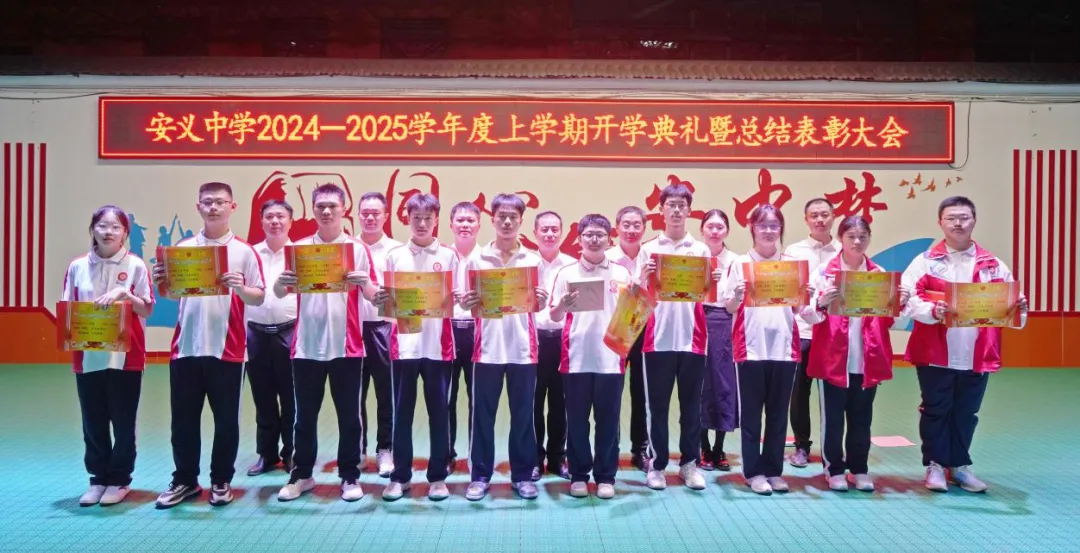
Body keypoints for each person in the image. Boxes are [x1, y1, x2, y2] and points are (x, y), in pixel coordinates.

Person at [902, 196, 1027, 493]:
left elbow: (1009, 307)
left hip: (977, 352)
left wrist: (1017, 306)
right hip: (935, 351)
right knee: (935, 408)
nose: (957, 223)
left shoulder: (993, 265)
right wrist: (932, 311)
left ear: (974, 221)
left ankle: (959, 466)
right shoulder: (925, 262)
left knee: (966, 412)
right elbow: (907, 298)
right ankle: (934, 465)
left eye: (964, 217)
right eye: (951, 218)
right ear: (940, 222)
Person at [152, 182, 266, 509]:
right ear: (198, 207)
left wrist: (240, 288)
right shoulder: (184, 248)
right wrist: (162, 281)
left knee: (226, 421)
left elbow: (258, 296)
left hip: (227, 351)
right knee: (183, 421)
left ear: (233, 207)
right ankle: (185, 480)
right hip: (185, 349)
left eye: (220, 202)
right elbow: (170, 294)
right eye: (207, 202)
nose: (213, 207)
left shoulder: (244, 251)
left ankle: (221, 480)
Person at [274, 184, 379, 503]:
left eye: (333, 205)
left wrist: (365, 282)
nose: (327, 211)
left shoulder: (357, 249)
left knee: (350, 416)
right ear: (313, 209)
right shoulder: (299, 249)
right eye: (320, 206)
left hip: (347, 346)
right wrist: (280, 282)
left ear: (344, 209)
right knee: (304, 416)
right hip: (306, 346)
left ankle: (349, 475)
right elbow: (279, 293)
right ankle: (302, 474)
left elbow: (374, 296)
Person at [804, 215, 911, 492]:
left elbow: (892, 321)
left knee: (862, 417)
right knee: (833, 419)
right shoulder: (824, 273)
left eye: (863, 237)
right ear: (841, 238)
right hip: (833, 358)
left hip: (867, 358)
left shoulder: (879, 274)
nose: (857, 242)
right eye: (851, 236)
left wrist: (900, 303)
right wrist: (820, 302)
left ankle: (859, 468)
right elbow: (808, 314)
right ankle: (834, 469)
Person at [459, 194, 548, 501]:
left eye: (513, 217)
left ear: (521, 220)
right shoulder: (477, 260)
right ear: (493, 219)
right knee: (482, 416)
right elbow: (468, 305)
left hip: (523, 349)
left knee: (523, 416)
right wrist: (466, 302)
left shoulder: (533, 261)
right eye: (502, 216)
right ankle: (480, 476)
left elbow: (539, 306)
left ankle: (522, 475)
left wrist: (542, 300)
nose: (507, 222)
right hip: (487, 349)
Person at [64, 205, 154, 507]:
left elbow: (147, 309)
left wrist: (126, 295)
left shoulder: (136, 265)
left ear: (125, 232)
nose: (108, 232)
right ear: (93, 229)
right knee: (93, 420)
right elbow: (68, 310)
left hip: (125, 358)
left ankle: (119, 479)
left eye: (116, 227)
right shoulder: (77, 266)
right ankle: (98, 479)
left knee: (123, 420)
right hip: (88, 357)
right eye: (102, 226)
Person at [723, 203, 810, 495]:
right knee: (751, 415)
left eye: (774, 225)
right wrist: (737, 295)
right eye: (763, 225)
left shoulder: (792, 264)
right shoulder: (740, 263)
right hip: (750, 347)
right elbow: (729, 307)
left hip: (784, 348)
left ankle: (773, 470)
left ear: (781, 229)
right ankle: (753, 472)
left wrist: (805, 296)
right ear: (753, 229)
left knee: (777, 414)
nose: (769, 231)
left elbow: (797, 308)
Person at [377, 193, 459, 501]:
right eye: (416, 218)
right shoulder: (395, 255)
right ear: (407, 219)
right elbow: (387, 305)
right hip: (404, 347)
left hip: (438, 347)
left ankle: (437, 477)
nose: (422, 224)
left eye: (427, 218)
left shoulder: (449, 256)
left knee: (439, 413)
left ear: (436, 220)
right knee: (402, 414)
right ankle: (400, 477)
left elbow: (457, 301)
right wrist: (386, 302)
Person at [548, 214, 632, 500]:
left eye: (600, 235)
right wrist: (562, 304)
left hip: (611, 359)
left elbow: (631, 316)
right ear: (579, 239)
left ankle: (606, 476)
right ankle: (579, 475)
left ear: (609, 239)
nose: (594, 239)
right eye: (588, 234)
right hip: (576, 358)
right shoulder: (566, 272)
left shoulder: (621, 273)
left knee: (608, 421)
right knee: (577, 421)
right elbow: (554, 316)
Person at [637, 183, 710, 491]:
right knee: (657, 407)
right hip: (658, 339)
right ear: (662, 210)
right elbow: (639, 296)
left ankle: (689, 465)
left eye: (682, 205)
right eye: (671, 205)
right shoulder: (648, 249)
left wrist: (712, 281)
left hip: (693, 338)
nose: (677, 210)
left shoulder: (700, 249)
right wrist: (642, 278)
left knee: (691, 407)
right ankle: (657, 465)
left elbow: (707, 294)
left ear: (689, 210)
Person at [782, 198, 840, 468]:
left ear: (833, 217)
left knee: (835, 395)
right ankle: (801, 447)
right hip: (803, 332)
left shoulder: (844, 250)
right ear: (806, 219)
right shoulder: (793, 252)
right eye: (814, 215)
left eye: (824, 214)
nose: (820, 220)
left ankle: (834, 450)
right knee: (798, 394)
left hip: (835, 335)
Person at [244, 200, 297, 477]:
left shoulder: (299, 254)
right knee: (262, 397)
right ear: (261, 221)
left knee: (291, 397)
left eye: (280, 216)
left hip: (290, 331)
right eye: (269, 217)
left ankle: (291, 453)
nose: (275, 221)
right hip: (255, 333)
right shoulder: (250, 253)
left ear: (291, 221)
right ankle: (266, 454)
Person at [356, 192, 401, 477]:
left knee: (387, 393)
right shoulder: (347, 248)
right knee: (353, 394)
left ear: (386, 216)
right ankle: (357, 449)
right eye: (365, 213)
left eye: (376, 213)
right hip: (352, 328)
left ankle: (386, 449)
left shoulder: (397, 250)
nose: (370, 217)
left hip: (385, 327)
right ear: (358, 215)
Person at [605, 205, 650, 471]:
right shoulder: (606, 258)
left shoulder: (653, 257)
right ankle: (610, 447)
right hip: (616, 329)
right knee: (612, 391)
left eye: (637, 225)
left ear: (644, 228)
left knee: (641, 392)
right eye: (626, 225)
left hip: (646, 330)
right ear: (617, 227)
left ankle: (640, 449)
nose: (631, 230)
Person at [532, 211, 575, 481]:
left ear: (561, 232)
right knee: (534, 402)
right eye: (544, 229)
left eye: (554, 230)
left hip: (563, 340)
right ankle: (535, 458)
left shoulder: (572, 266)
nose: (549, 234)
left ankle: (558, 457)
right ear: (535, 233)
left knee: (561, 402)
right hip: (533, 339)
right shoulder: (525, 264)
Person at [697, 209, 739, 472]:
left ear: (727, 231)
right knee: (700, 384)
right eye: (710, 226)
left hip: (724, 322)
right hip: (696, 318)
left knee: (724, 384)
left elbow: (735, 302)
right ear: (702, 230)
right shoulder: (693, 256)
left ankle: (719, 448)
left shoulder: (735, 260)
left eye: (719, 227)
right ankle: (702, 447)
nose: (714, 231)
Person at [446, 201, 481, 474]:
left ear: (479, 225)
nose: (465, 225)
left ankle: (474, 456)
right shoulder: (441, 256)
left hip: (477, 331)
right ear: (451, 224)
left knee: (477, 398)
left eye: (470, 220)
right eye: (460, 220)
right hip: (446, 331)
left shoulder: (487, 258)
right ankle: (446, 454)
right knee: (446, 398)